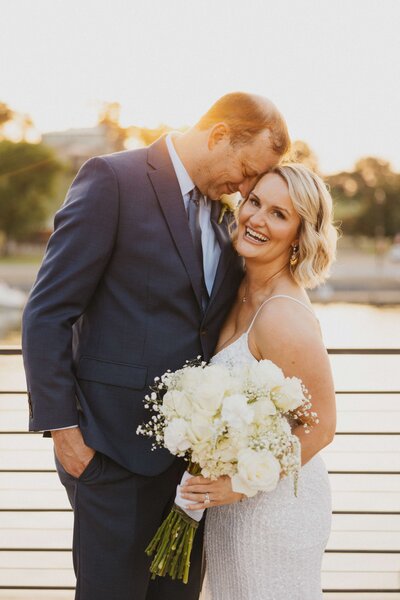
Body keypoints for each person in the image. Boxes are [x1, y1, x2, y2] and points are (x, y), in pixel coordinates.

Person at [21, 92, 290, 600]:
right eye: (248, 168)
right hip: (110, 456)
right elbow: (48, 311)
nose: (247, 187)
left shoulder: (224, 216)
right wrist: (64, 432)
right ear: (217, 136)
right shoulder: (112, 180)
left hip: (192, 472)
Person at [180, 163, 337, 600]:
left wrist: (238, 485)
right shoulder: (237, 290)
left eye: (279, 214)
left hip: (274, 511)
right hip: (230, 508)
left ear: (299, 236)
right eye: (254, 202)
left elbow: (321, 426)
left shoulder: (284, 314)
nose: (257, 219)